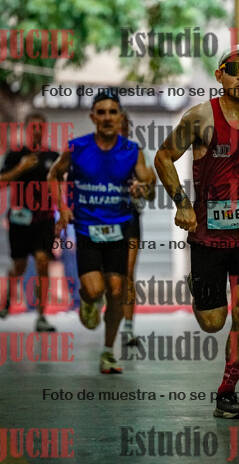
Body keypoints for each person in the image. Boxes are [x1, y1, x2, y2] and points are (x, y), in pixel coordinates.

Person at [155, 44, 239, 418]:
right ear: (220, 75)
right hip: (208, 237)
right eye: (233, 69)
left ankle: (227, 393)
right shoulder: (201, 117)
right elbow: (163, 156)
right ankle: (201, 290)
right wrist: (182, 203)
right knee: (213, 321)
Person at [48, 90, 154, 373]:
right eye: (102, 112)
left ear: (120, 117)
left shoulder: (132, 151)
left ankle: (108, 352)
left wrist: (143, 189)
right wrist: (62, 207)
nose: (107, 117)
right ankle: (88, 300)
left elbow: (150, 186)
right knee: (96, 289)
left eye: (112, 112)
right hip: (87, 229)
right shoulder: (76, 148)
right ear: (93, 116)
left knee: (117, 290)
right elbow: (53, 174)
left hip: (120, 229)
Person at [0, 112, 58, 331]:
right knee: (20, 266)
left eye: (40, 127)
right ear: (26, 129)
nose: (37, 131)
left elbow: (61, 185)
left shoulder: (53, 156)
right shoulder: (15, 154)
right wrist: (20, 169)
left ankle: (41, 316)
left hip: (44, 219)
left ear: (45, 129)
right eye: (33, 127)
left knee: (43, 262)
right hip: (20, 220)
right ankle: (7, 299)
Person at [119, 110, 156, 347]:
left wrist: (143, 189)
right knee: (106, 277)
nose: (120, 129)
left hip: (129, 217)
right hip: (100, 218)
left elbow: (151, 192)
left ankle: (128, 328)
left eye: (125, 125)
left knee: (127, 273)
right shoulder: (94, 153)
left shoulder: (138, 154)